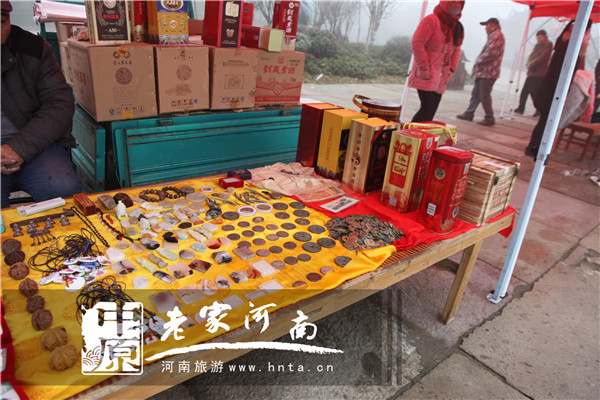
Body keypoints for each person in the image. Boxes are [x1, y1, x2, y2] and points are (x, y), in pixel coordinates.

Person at [1, 0, 81, 208]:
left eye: (2, 22)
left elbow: (60, 103)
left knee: (63, 190)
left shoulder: (33, 48)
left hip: (33, 141)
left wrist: (19, 147)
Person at [525, 20, 593, 159]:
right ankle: (534, 147)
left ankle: (535, 147)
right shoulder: (569, 45)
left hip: (551, 89)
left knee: (545, 121)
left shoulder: (568, 43)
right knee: (545, 121)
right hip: (552, 91)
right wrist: (560, 92)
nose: (589, 35)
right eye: (588, 32)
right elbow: (561, 72)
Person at [408, 0, 465, 122]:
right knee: (427, 108)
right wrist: (424, 66)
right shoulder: (431, 20)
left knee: (431, 111)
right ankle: (410, 133)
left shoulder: (457, 26)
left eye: (459, 3)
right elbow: (417, 43)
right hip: (427, 72)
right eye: (453, 2)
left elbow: (457, 49)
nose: (456, 5)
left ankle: (420, 133)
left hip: (441, 76)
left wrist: (451, 69)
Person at [456, 17, 505, 126]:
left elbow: (490, 53)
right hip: (484, 72)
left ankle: (489, 117)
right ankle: (469, 113)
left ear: (493, 25)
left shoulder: (496, 35)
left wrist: (478, 61)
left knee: (484, 95)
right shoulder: (493, 35)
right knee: (476, 94)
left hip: (489, 72)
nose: (485, 28)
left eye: (487, 25)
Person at [514, 30, 553, 116]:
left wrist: (531, 63)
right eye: (537, 38)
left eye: (540, 37)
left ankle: (539, 108)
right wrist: (528, 63)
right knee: (525, 91)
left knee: (534, 91)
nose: (539, 39)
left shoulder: (548, 44)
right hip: (532, 71)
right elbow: (532, 55)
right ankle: (521, 108)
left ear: (545, 36)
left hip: (539, 72)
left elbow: (543, 57)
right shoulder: (537, 45)